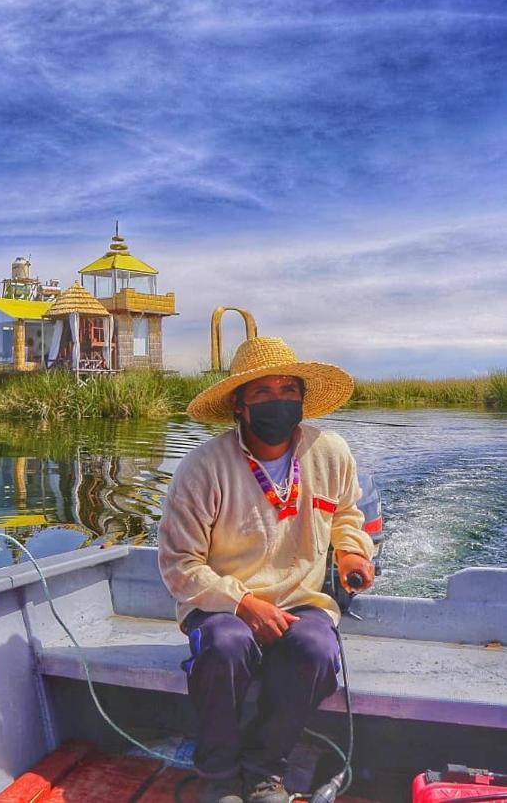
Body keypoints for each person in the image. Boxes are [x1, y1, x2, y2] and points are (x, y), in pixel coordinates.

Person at [158, 337, 375, 803]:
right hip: (220, 602)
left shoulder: (331, 452)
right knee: (225, 645)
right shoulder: (202, 468)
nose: (278, 400)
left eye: (287, 389)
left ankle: (263, 771)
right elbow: (179, 566)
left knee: (316, 649)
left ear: (301, 398)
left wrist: (352, 553)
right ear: (238, 405)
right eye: (262, 392)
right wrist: (242, 604)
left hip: (301, 599)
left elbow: (347, 516)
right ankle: (218, 776)